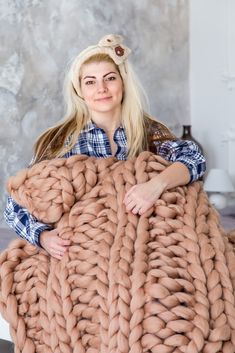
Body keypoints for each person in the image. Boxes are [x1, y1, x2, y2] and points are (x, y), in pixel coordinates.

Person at [4, 34, 206, 260]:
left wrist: (155, 185)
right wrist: (43, 237)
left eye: (109, 78)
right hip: (84, 257)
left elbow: (194, 158)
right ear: (80, 90)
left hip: (143, 250)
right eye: (90, 81)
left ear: (123, 83)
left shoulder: (148, 132)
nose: (101, 88)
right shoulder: (60, 142)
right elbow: (15, 206)